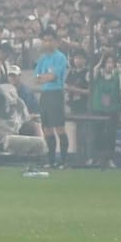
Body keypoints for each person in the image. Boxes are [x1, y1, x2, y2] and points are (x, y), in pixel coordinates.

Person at [35, 28, 70, 169]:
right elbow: (37, 78)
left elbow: (54, 76)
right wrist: (46, 78)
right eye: (45, 40)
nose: (47, 43)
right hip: (44, 95)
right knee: (47, 129)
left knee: (59, 128)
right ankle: (51, 160)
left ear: (55, 41)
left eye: (50, 40)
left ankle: (64, 160)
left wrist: (45, 78)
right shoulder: (42, 59)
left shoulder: (60, 57)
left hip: (56, 93)